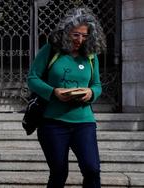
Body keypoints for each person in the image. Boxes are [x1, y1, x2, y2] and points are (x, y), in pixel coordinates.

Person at [27, 7, 106, 188]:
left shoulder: (91, 56)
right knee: (59, 173)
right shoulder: (51, 50)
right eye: (76, 34)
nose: (80, 40)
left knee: (92, 169)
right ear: (66, 31)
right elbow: (32, 78)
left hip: (84, 121)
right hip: (52, 123)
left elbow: (97, 85)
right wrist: (53, 92)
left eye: (85, 36)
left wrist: (90, 93)